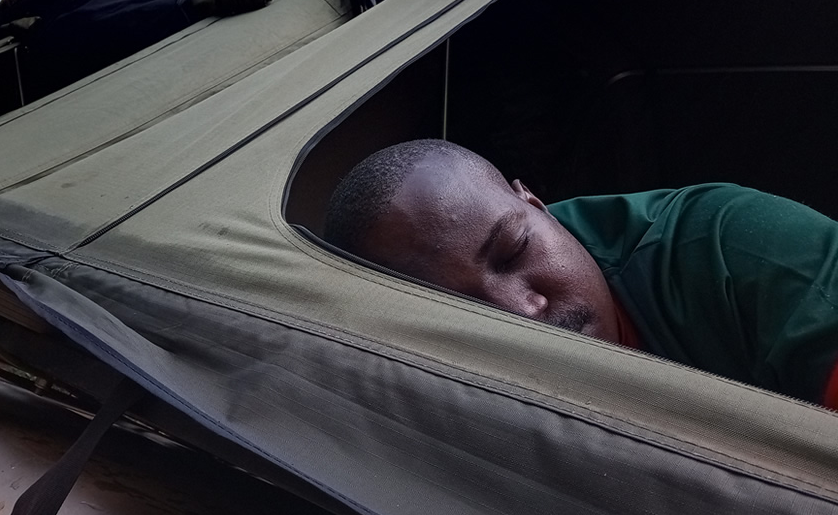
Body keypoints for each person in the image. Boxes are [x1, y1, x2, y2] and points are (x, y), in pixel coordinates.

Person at [323, 139, 838, 408]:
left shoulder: (732, 243)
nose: (521, 312)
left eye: (513, 252)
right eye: (461, 311)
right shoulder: (421, 389)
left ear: (535, 202)